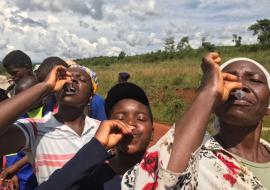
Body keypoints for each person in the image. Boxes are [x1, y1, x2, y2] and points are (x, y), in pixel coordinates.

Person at [124, 52, 270, 189]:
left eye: (255, 80)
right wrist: (207, 93)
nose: (240, 86)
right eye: (227, 80)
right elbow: (159, 181)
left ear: (268, 108)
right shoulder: (190, 157)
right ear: (213, 103)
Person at [36, 82, 154, 190]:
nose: (130, 123)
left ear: (152, 133)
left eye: (140, 118)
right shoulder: (92, 177)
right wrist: (96, 145)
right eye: (120, 118)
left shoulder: (165, 172)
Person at [0, 65, 100, 184]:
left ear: (91, 95)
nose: (71, 80)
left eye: (81, 79)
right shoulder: (36, 129)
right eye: (65, 77)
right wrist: (46, 86)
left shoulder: (102, 130)